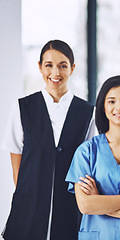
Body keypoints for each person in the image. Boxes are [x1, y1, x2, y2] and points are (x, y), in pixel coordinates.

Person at [1, 40, 96, 240]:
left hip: (70, 209)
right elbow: (17, 165)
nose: (55, 72)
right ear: (39, 67)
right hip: (28, 208)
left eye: (63, 65)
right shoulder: (22, 108)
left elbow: (88, 164)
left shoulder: (88, 113)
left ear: (72, 68)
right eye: (49, 65)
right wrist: (30, 198)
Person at [65, 75, 120, 240]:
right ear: (102, 107)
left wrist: (99, 203)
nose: (119, 107)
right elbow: (86, 205)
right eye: (111, 101)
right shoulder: (87, 151)